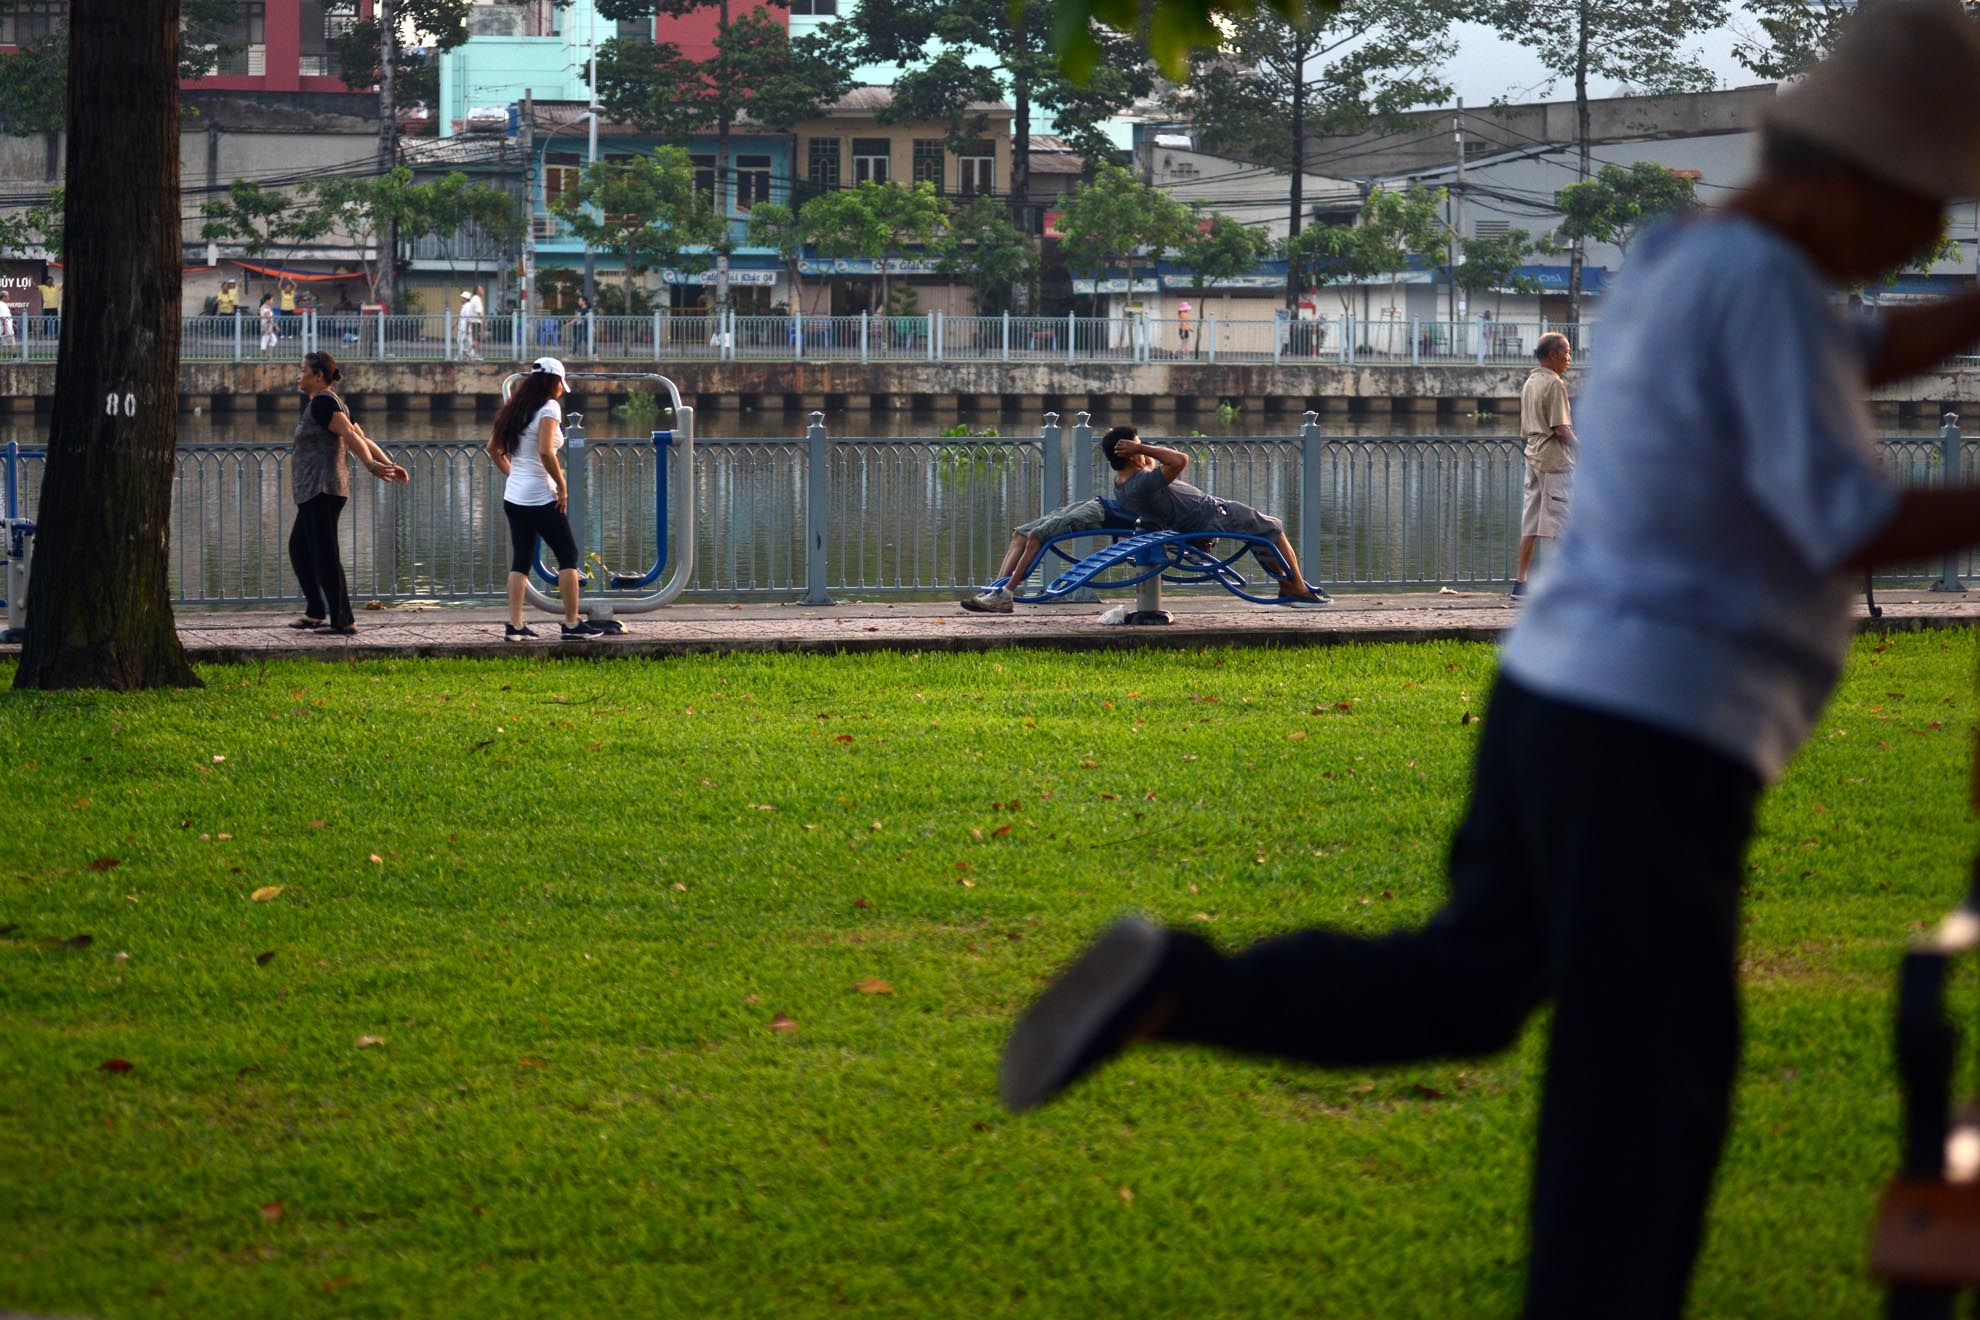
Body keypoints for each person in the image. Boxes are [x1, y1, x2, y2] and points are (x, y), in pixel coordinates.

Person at [998, 6, 1980, 1317]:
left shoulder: (1696, 265)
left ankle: (1180, 988)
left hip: (1559, 702)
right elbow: (1847, 522)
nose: (1921, 244)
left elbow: (1877, 347)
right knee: (1648, 1083)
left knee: (1470, 984)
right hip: (1654, 736)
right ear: (1850, 176)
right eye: (1924, 209)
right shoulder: (1760, 290)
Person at [1100, 424, 1329, 607]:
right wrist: (1141, 449)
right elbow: (1180, 460)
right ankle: (1297, 586)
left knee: (1260, 532)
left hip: (1202, 517)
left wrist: (1139, 450)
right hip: (1212, 516)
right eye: (1138, 447)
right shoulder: (1141, 483)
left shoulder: (1122, 483)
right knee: (1274, 529)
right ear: (1131, 456)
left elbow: (1149, 462)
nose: (1143, 450)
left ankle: (1286, 584)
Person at [287, 351, 408, 635]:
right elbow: (362, 436)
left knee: (326, 555)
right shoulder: (328, 403)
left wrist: (372, 466)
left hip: (322, 489)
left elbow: (353, 438)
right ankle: (316, 611)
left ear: (318, 376)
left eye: (302, 370)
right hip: (314, 491)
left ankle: (344, 621)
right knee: (300, 549)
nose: (298, 375)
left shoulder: (324, 404)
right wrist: (388, 464)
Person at [486, 356, 603, 643]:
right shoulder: (549, 407)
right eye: (561, 383)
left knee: (521, 561)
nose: (562, 389)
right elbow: (545, 451)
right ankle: (572, 624)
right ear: (554, 381)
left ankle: (515, 626)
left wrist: (514, 475)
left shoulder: (516, 408)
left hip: (514, 496)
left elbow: (492, 448)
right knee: (568, 556)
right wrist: (562, 488)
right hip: (541, 496)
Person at [959, 494, 1141, 613]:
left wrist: (1141, 449)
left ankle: (1006, 593)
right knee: (1019, 535)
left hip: (1100, 514)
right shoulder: (1144, 474)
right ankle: (995, 592)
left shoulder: (1157, 481)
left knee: (1036, 536)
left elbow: (1160, 465)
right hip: (1094, 504)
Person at [1511, 332, 1577, 600]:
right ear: (1552, 355)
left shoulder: (1530, 382)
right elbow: (1561, 429)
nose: (1569, 359)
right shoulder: (1554, 384)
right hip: (1553, 461)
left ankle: (1520, 583)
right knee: (1560, 523)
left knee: (1531, 523)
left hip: (1533, 456)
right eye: (1566, 353)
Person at [457, 287, 484, 361]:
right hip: (463, 327)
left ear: (466, 299)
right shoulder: (464, 306)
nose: (461, 299)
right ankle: (465, 355)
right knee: (463, 341)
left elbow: (469, 317)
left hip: (466, 327)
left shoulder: (468, 306)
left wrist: (467, 328)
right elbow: (461, 317)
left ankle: (468, 355)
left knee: (468, 341)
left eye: (462, 298)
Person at [36, 271, 58, 336]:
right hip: (46, 307)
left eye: (51, 281)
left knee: (56, 321)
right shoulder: (43, 287)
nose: (49, 283)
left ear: (52, 281)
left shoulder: (56, 286)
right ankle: (45, 333)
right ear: (46, 282)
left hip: (54, 307)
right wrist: (31, 281)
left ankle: (56, 333)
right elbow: (36, 287)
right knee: (45, 320)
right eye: (48, 281)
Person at [257, 294, 278, 360]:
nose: (273, 301)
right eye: (272, 300)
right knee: (265, 341)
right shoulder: (264, 308)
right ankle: (263, 356)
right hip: (266, 327)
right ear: (267, 300)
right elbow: (268, 318)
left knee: (273, 340)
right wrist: (275, 325)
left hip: (269, 326)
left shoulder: (267, 307)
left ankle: (268, 355)